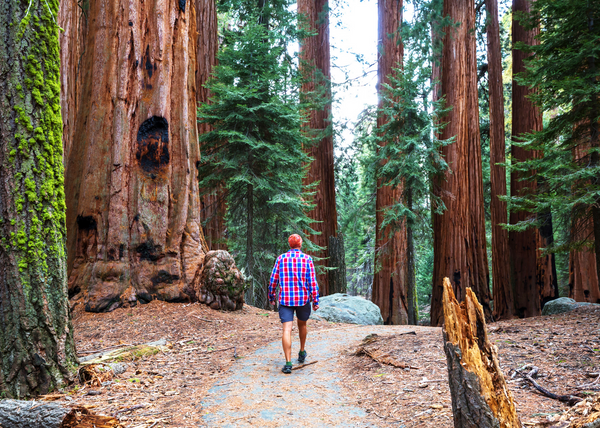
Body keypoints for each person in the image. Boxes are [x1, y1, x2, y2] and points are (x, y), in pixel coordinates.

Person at [268, 234, 319, 374]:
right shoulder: (307, 259)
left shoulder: (281, 259)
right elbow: (312, 281)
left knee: (286, 330)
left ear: (289, 244)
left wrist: (271, 296)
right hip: (302, 300)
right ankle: (302, 352)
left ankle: (288, 363)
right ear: (300, 244)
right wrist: (315, 300)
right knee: (302, 324)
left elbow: (273, 279)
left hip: (285, 300)